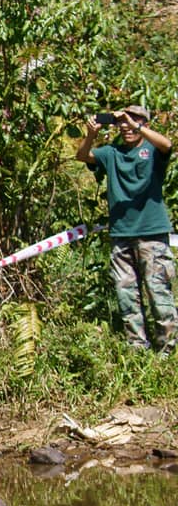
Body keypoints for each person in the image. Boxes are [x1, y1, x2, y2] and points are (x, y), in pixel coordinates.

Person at [76, 105, 176, 352]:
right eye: (122, 122)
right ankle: (137, 348)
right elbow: (82, 156)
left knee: (158, 293)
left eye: (133, 121)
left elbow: (168, 145)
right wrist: (90, 135)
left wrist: (137, 125)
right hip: (121, 235)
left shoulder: (151, 149)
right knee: (126, 295)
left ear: (143, 123)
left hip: (152, 234)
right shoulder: (112, 152)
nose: (126, 126)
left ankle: (168, 349)